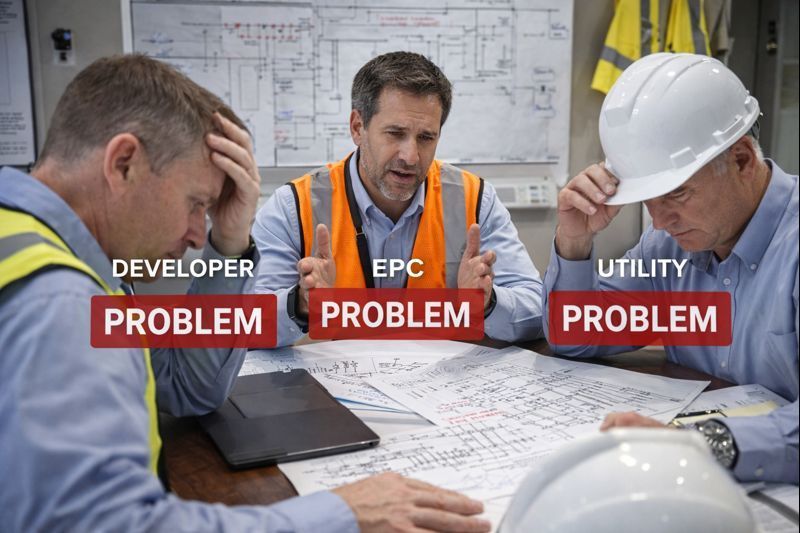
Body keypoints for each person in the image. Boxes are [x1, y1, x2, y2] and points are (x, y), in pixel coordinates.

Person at [0, 55, 490, 532]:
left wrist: (230, 244)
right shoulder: (59, 305)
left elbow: (188, 387)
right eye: (196, 204)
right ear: (123, 163)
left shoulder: (48, 250)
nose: (197, 235)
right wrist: (343, 514)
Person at [544, 53, 798, 484]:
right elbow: (575, 336)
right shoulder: (669, 245)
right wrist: (574, 241)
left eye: (676, 194)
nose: (659, 222)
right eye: (648, 199)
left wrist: (703, 444)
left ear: (741, 160)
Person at [253, 51, 543, 346]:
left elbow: (536, 311)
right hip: (336, 375)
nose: (410, 156)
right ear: (357, 127)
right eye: (395, 133)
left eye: (426, 138)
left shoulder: (475, 199)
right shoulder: (294, 206)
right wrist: (299, 305)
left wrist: (489, 303)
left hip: (446, 374)